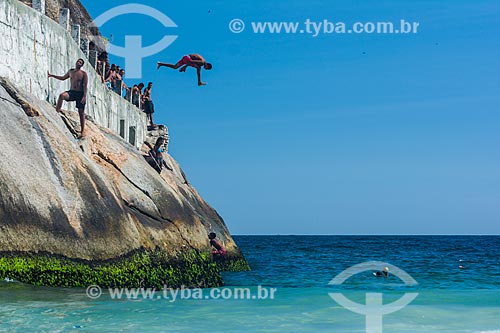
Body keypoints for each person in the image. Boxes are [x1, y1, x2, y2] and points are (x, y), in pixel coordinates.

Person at [47, 58, 88, 138]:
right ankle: (56, 113)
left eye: (80, 62)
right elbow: (62, 78)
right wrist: (51, 75)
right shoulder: (71, 71)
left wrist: (84, 96)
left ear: (82, 65)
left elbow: (85, 86)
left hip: (80, 94)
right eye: (78, 61)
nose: (78, 63)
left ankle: (82, 130)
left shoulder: (83, 74)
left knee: (81, 112)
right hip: (72, 92)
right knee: (62, 96)